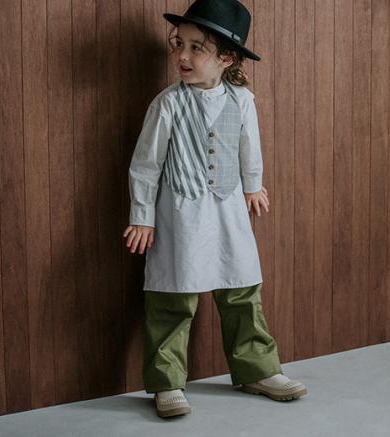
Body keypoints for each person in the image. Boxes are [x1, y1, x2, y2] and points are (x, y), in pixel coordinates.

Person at [122, 0, 307, 418]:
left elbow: (249, 148)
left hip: (228, 210)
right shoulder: (167, 104)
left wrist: (253, 186)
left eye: (196, 47)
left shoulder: (242, 101)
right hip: (180, 213)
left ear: (226, 58)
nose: (182, 56)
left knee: (241, 288)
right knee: (173, 295)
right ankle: (167, 382)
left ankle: (258, 369)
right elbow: (146, 164)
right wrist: (142, 216)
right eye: (179, 44)